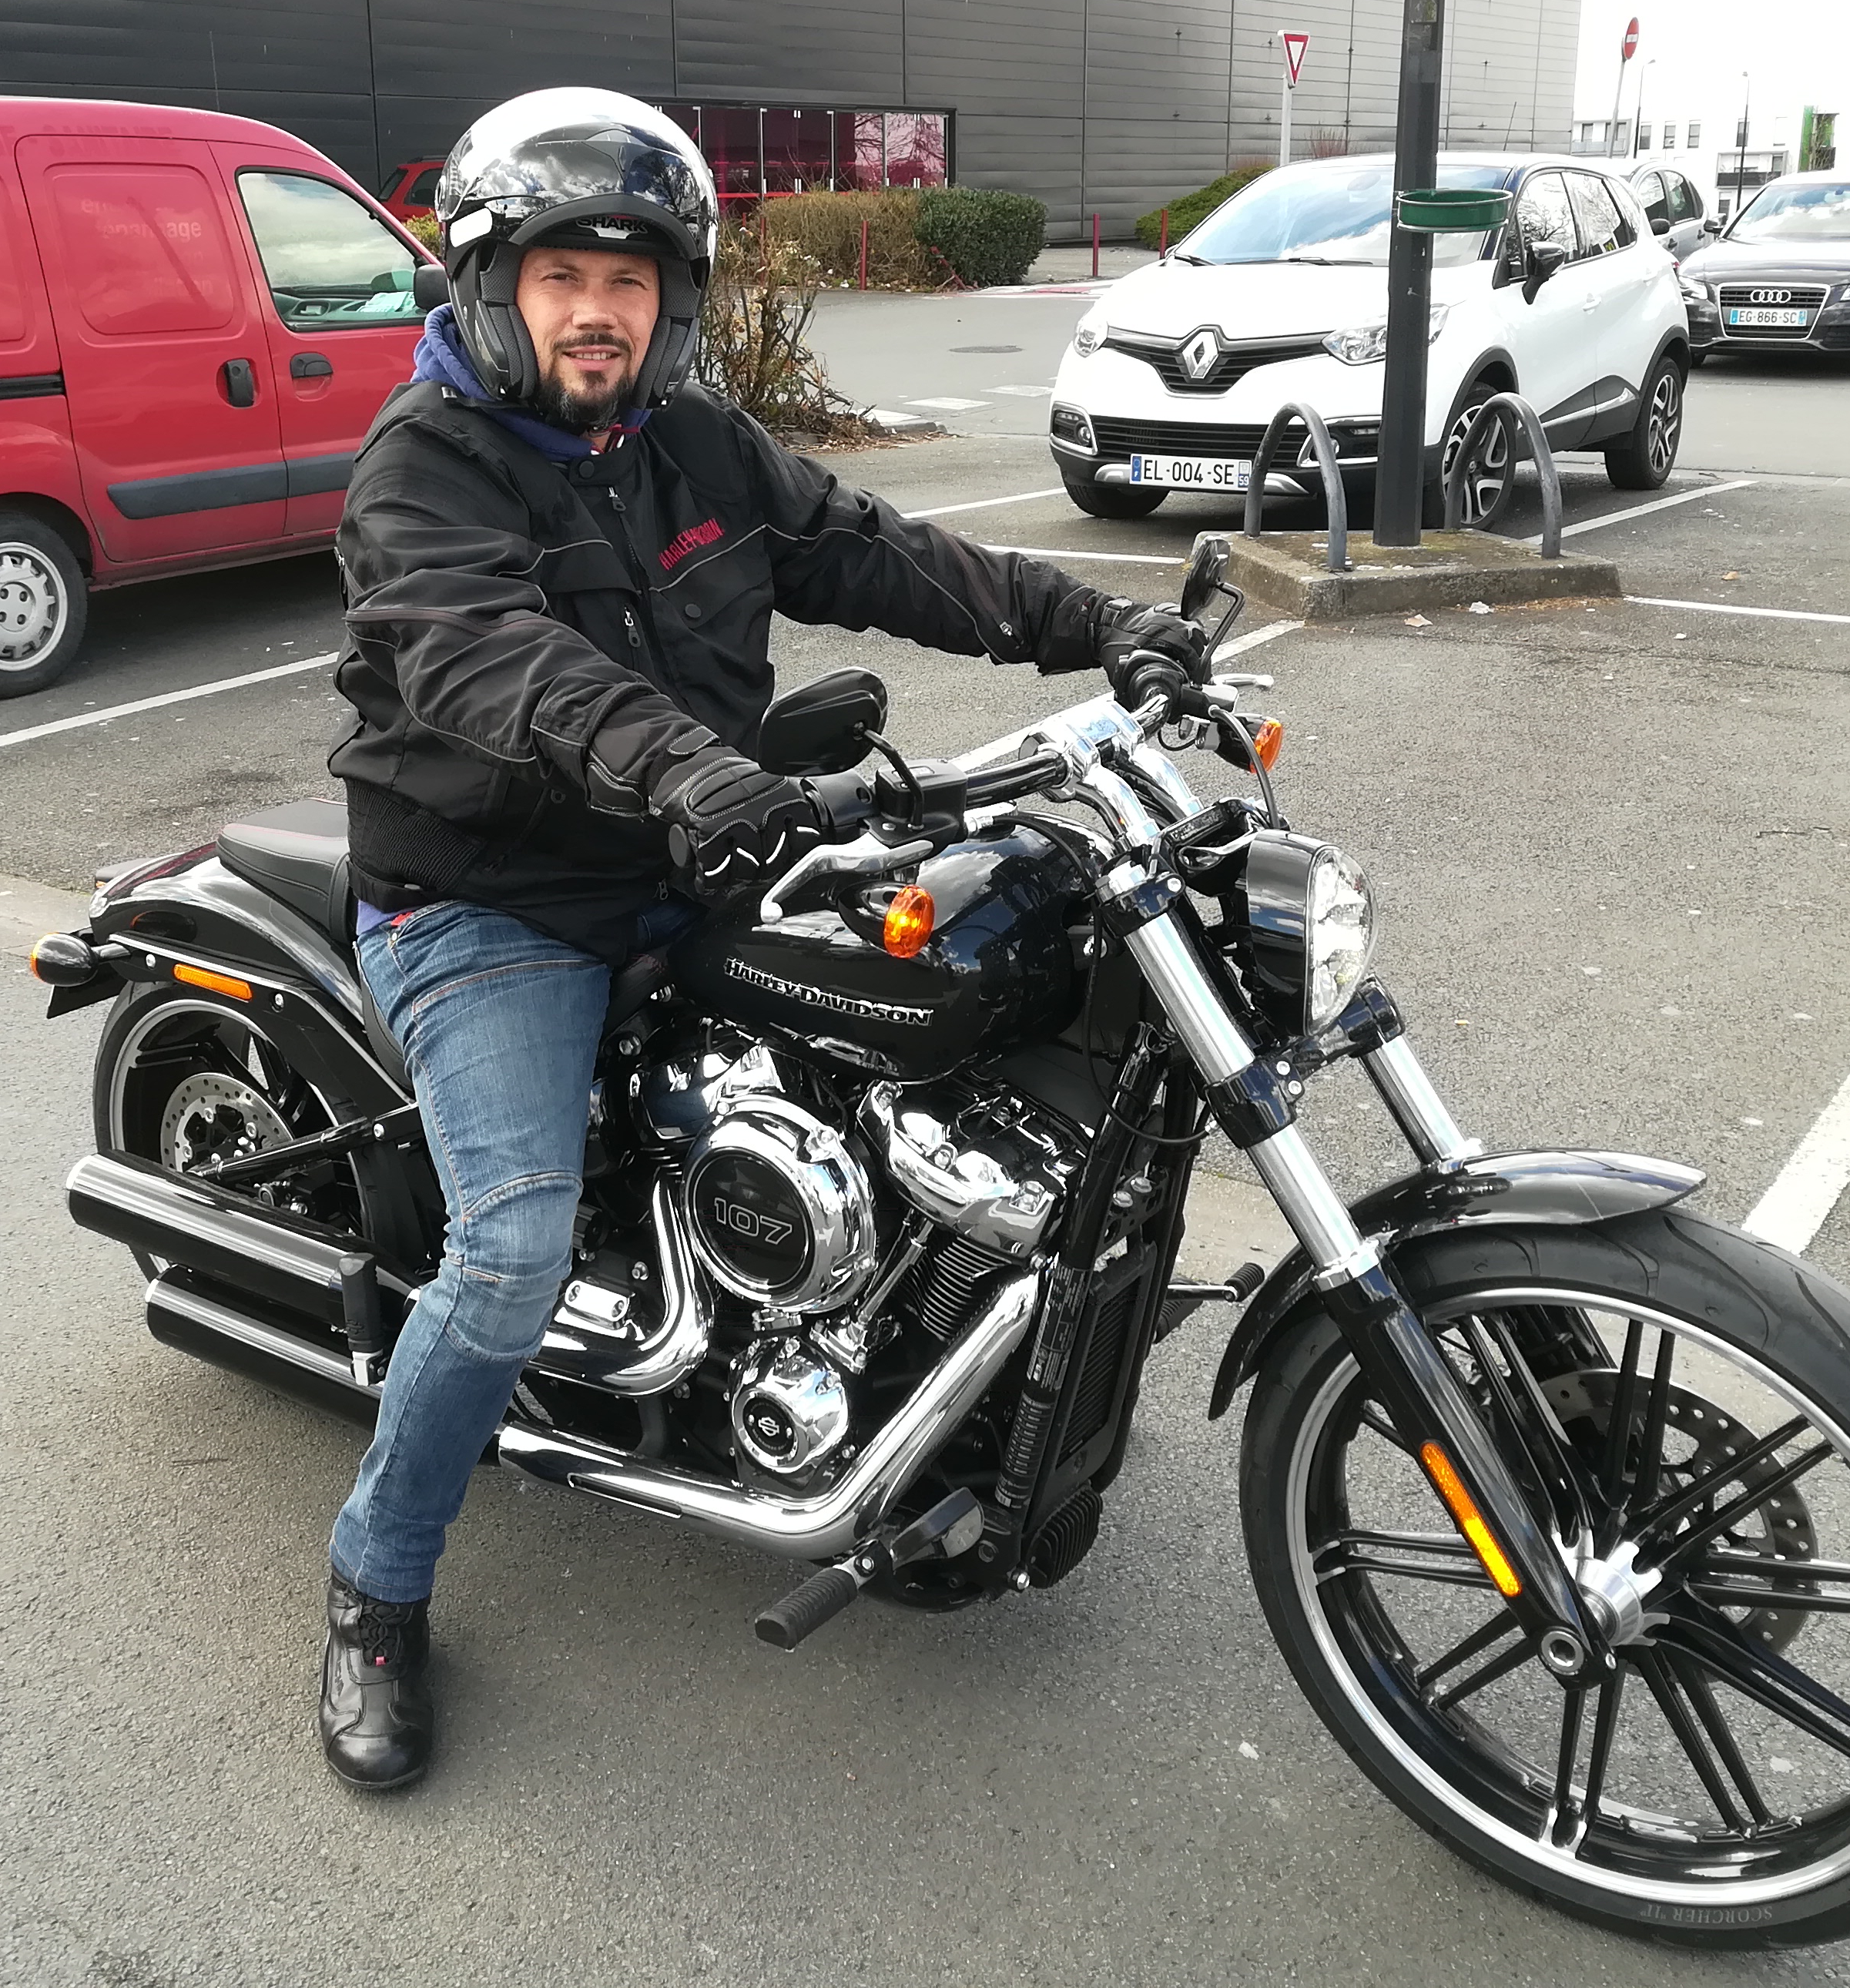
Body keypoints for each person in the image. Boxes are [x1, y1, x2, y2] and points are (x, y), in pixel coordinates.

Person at [317, 88, 1207, 1789]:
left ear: (674, 301)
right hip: (493, 904)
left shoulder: (696, 447)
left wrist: (1102, 626)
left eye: (631, 279)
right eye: (563, 274)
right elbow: (490, 654)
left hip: (695, 849)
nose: (599, 310)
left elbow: (877, 552)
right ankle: (377, 1581)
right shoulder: (421, 468)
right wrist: (689, 771)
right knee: (506, 1251)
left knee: (956, 1027)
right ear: (492, 286)